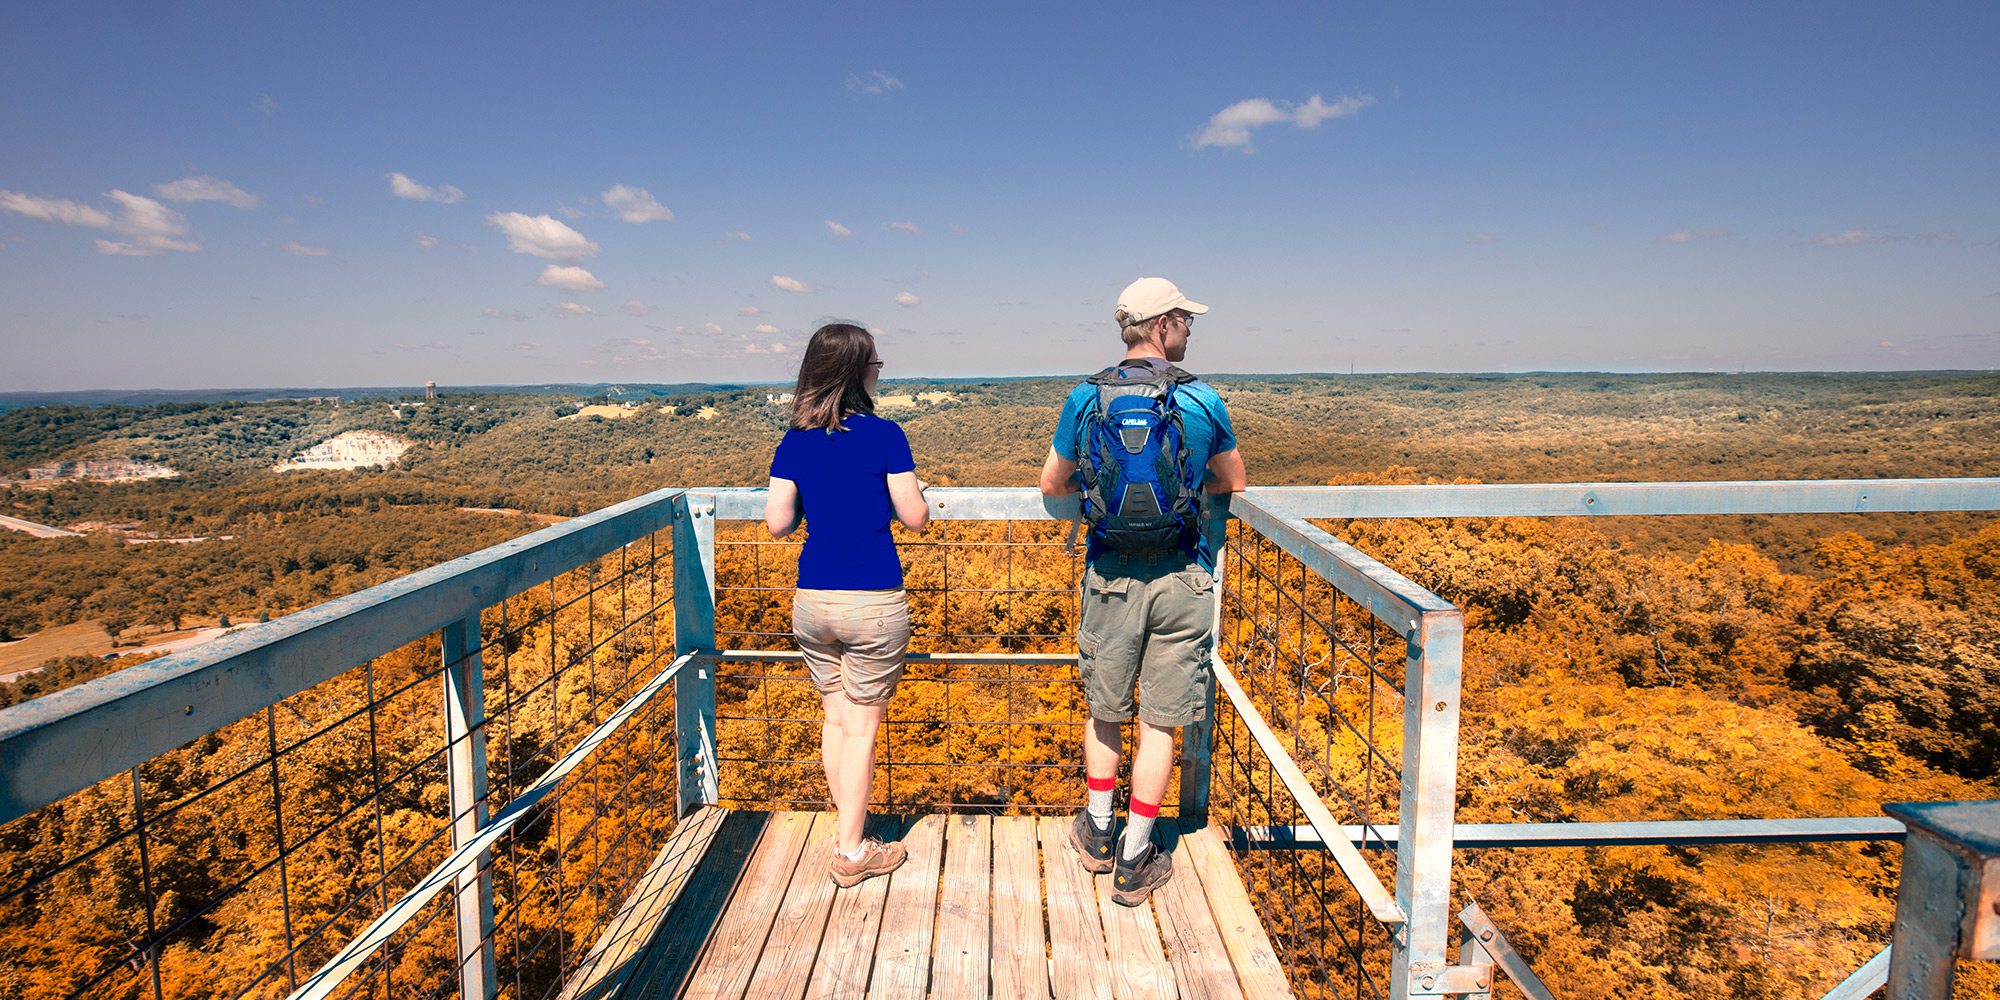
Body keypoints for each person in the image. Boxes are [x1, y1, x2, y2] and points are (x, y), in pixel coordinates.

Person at [1038, 277, 1246, 906]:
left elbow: (1053, 485)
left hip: (1110, 574)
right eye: (1186, 319)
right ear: (1163, 324)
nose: (1190, 329)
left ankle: (1098, 832)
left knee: (1106, 705)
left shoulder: (1085, 397)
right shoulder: (1203, 398)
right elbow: (1233, 479)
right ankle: (1136, 854)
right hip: (1184, 572)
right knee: (1160, 717)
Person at [766, 323, 931, 887]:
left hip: (813, 600)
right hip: (873, 600)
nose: (879, 372)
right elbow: (915, 517)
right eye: (876, 363)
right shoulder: (886, 436)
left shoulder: (794, 440)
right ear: (859, 371)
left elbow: (777, 523)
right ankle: (852, 850)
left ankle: (846, 831)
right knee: (861, 729)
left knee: (835, 717)